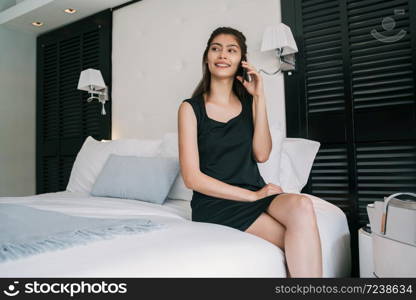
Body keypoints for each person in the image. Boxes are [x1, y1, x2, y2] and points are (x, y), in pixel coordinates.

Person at [177, 27, 322, 278]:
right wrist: (252, 197)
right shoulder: (190, 108)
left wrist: (259, 97)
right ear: (207, 58)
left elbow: (262, 154)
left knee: (302, 204)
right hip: (216, 204)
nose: (223, 55)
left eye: (231, 50)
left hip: (256, 191)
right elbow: (192, 178)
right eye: (216, 48)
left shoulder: (247, 104)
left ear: (241, 61)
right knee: (297, 242)